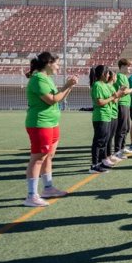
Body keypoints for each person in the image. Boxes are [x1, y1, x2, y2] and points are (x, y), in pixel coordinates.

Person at [24, 52, 78, 207]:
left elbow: (59, 97)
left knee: (49, 156)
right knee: (38, 158)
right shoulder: (38, 79)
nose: (58, 67)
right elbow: (51, 100)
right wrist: (67, 85)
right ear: (48, 63)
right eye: (57, 63)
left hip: (52, 123)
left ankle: (48, 188)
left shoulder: (47, 79)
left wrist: (70, 86)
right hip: (40, 123)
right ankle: (31, 195)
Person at [89, 65, 123, 173]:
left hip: (107, 116)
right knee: (99, 141)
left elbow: (112, 100)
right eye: (108, 73)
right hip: (101, 116)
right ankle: (94, 165)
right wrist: (114, 97)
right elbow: (99, 102)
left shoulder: (103, 85)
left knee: (103, 141)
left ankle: (101, 163)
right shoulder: (97, 85)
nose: (109, 75)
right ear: (103, 74)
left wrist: (117, 95)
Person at [114, 58, 132, 158]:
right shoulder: (120, 76)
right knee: (121, 128)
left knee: (126, 127)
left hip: (126, 104)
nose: (130, 68)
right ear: (123, 66)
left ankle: (122, 148)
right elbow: (123, 91)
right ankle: (118, 150)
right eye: (128, 66)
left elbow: (126, 91)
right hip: (121, 104)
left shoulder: (124, 76)